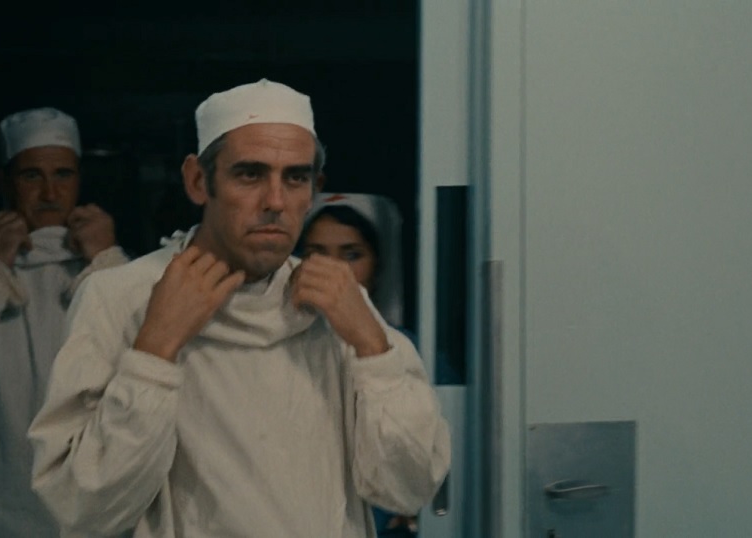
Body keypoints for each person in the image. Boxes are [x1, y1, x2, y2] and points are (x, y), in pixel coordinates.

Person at [27, 79, 451, 537]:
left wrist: (372, 346)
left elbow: (408, 488)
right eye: (250, 175)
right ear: (197, 180)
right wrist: (154, 351)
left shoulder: (340, 305)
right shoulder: (120, 298)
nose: (275, 202)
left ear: (314, 189)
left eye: (295, 178)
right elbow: (82, 509)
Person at [0, 107, 128, 537]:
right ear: (5, 183)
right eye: (32, 176)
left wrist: (108, 262)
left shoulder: (113, 269)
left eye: (63, 175)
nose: (50, 193)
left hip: (97, 507)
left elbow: (149, 356)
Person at [299, 193, 419, 537]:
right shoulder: (276, 349)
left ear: (377, 265)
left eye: (352, 255)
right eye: (317, 253)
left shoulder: (408, 350)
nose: (334, 269)